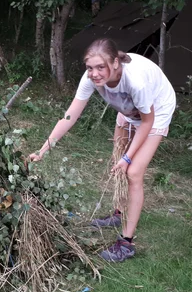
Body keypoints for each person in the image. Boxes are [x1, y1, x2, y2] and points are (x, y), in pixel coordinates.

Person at [28, 38, 176, 263]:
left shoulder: (136, 82)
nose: (95, 74)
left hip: (155, 112)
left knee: (133, 172)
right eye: (90, 68)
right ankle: (119, 212)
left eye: (100, 67)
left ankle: (127, 243)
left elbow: (147, 122)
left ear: (115, 63)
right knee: (117, 161)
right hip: (129, 111)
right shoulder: (90, 80)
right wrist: (43, 149)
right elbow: (70, 116)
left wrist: (129, 157)